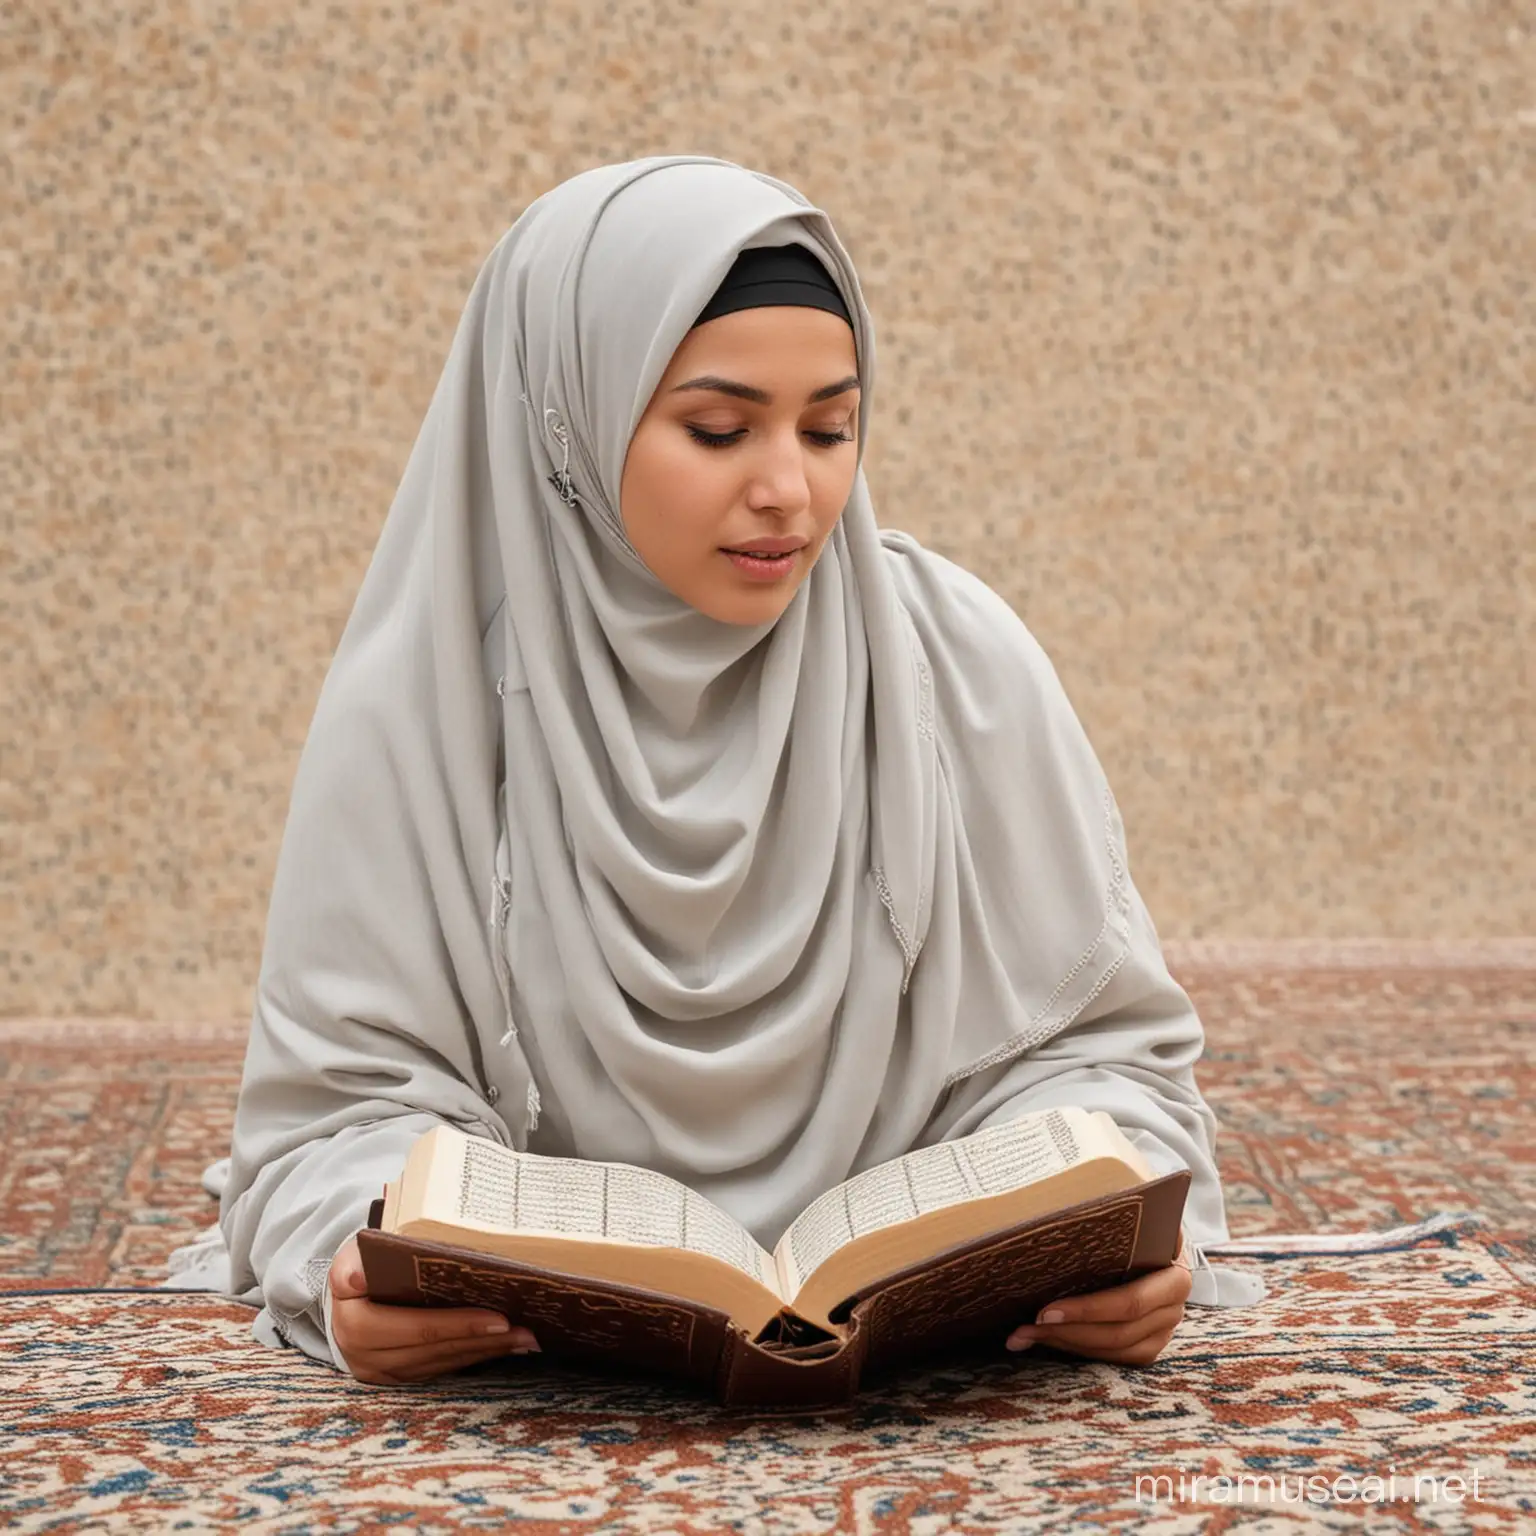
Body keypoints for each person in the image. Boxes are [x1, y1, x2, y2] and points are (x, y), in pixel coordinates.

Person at [162, 155, 1264, 1387]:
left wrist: (1121, 1244)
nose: (789, 490)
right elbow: (339, 1113)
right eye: (718, 429)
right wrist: (352, 1259)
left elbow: (1099, 1057)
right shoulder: (425, 713)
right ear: (567, 423)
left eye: (831, 427)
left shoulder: (953, 665)